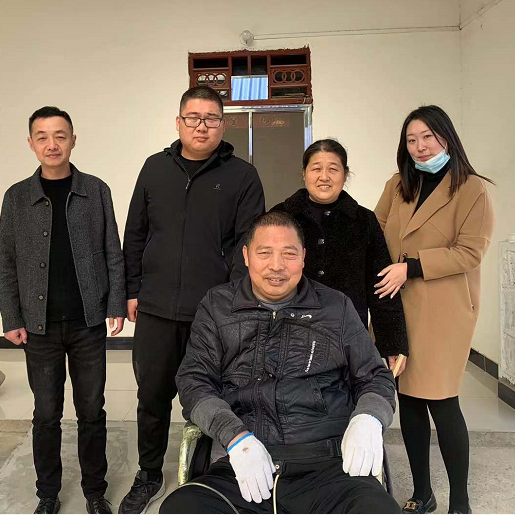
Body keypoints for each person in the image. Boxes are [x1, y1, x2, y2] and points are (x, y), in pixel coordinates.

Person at [160, 211, 400, 514]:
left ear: (304, 257)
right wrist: (236, 439)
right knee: (181, 508)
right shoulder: (218, 306)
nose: (276, 266)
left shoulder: (335, 307)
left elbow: (375, 376)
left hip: (330, 467)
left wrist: (369, 418)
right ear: (246, 256)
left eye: (289, 254)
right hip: (244, 462)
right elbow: (194, 381)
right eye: (264, 253)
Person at [119, 86, 265, 514]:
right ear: (179, 122)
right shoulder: (154, 168)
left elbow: (247, 245)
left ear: (223, 124)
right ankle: (149, 474)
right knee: (152, 395)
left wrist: (233, 302)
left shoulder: (242, 176)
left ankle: (209, 474)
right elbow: (136, 233)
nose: (202, 126)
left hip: (213, 312)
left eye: (211, 119)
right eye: (193, 118)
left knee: (212, 394)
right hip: (156, 307)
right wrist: (132, 289)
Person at [0, 106, 126, 515]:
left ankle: (95, 492)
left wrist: (115, 304)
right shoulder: (17, 197)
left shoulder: (96, 190)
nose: (52, 144)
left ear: (72, 140)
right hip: (39, 327)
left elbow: (113, 251)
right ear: (31, 143)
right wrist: (12, 317)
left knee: (91, 411)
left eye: (60, 136)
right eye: (42, 137)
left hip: (88, 322)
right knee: (46, 414)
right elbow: (5, 262)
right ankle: (47, 494)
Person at [374, 105, 494, 515]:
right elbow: (376, 233)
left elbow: (470, 251)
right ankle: (423, 493)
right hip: (397, 306)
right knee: (408, 401)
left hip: (444, 309)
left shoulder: (472, 189)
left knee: (442, 401)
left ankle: (460, 501)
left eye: (427, 136)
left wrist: (411, 267)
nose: (420, 147)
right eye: (411, 140)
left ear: (446, 137)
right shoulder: (397, 185)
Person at [270, 138, 409, 372]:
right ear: (304, 174)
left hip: (347, 338)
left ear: (345, 175)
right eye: (316, 169)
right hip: (289, 337)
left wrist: (392, 344)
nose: (324, 177)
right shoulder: (280, 217)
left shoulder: (364, 221)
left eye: (333, 169)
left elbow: (382, 286)